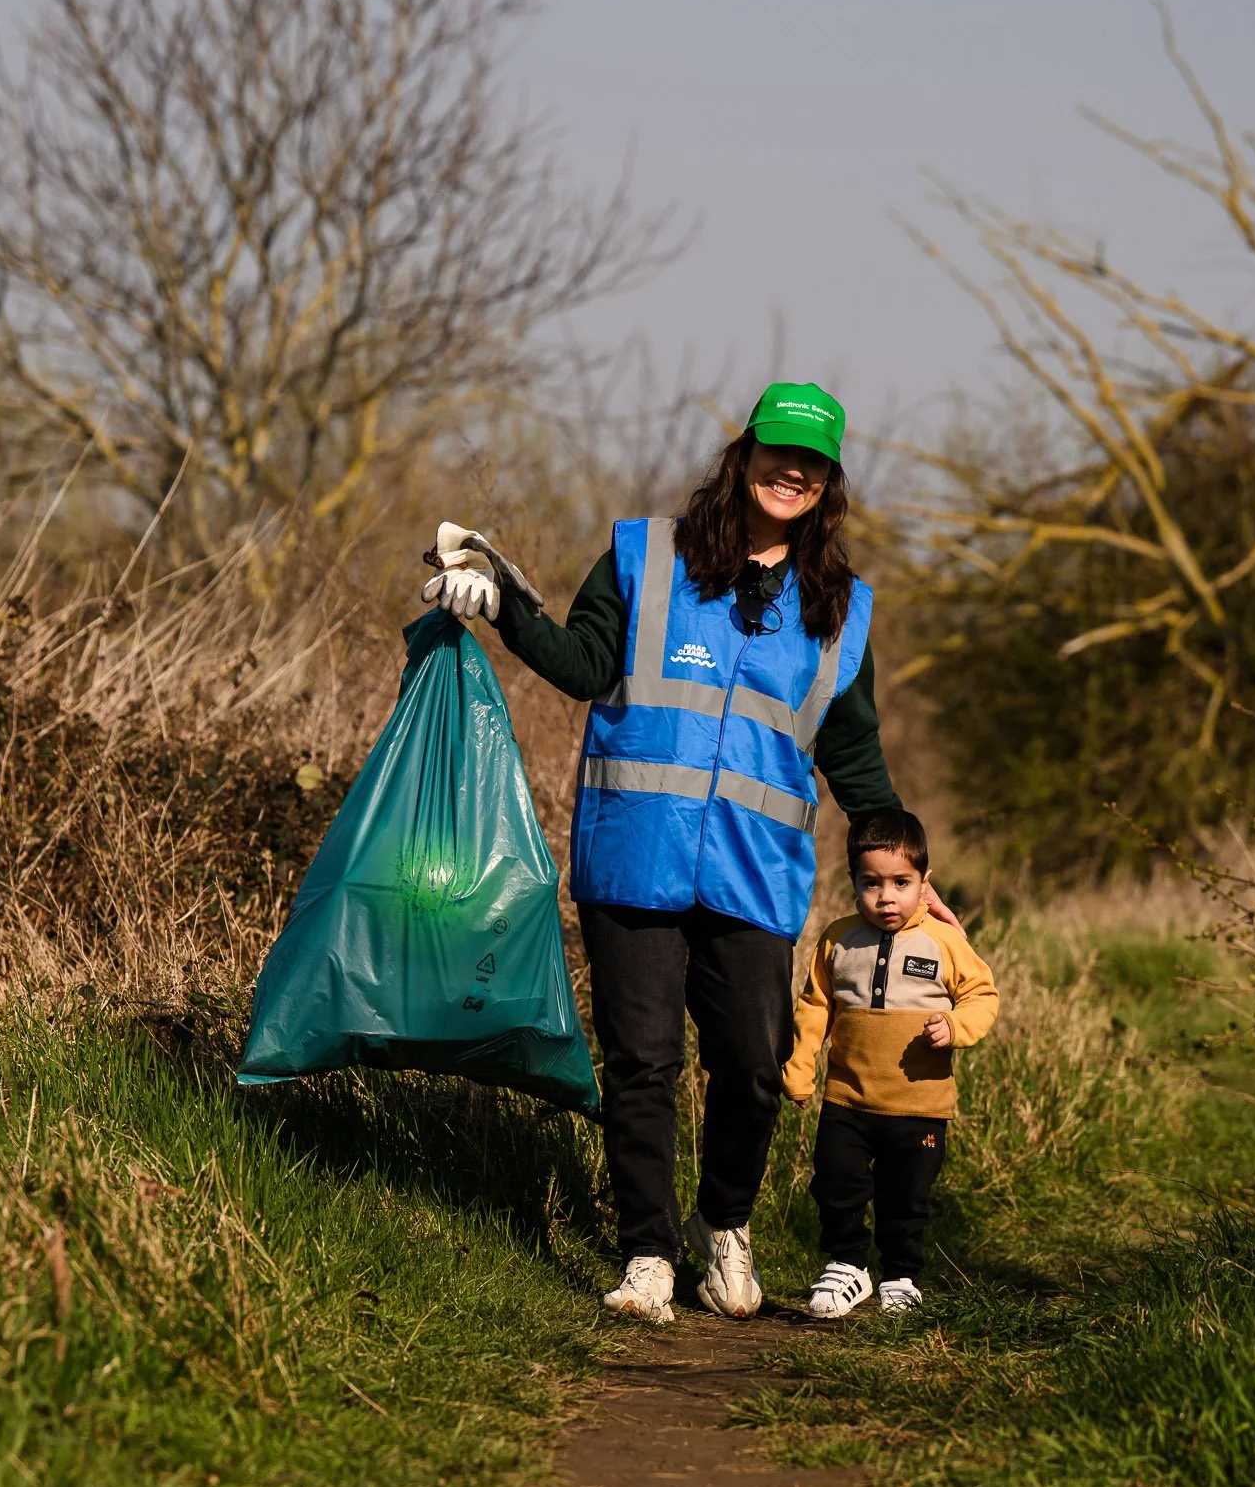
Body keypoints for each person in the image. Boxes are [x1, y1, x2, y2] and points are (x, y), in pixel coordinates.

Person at [422, 380, 953, 1322]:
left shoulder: (842, 610)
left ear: (829, 482)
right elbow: (585, 665)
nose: (792, 472)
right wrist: (498, 599)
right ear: (743, 455)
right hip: (634, 857)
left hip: (755, 873)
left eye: (814, 463)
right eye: (778, 452)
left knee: (754, 1061)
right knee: (642, 1060)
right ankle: (648, 1255)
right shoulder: (643, 556)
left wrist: (913, 877)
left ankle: (724, 1224)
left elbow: (854, 755)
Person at [781, 806, 998, 1318]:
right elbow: (815, 1006)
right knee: (836, 1182)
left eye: (901, 882)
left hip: (919, 1105)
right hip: (847, 1098)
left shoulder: (944, 941)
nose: (886, 897)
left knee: (907, 1196)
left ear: (925, 883)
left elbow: (982, 995)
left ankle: (900, 1275)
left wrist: (957, 1028)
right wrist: (800, 1063)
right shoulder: (837, 939)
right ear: (854, 881)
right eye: (871, 883)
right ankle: (848, 1265)